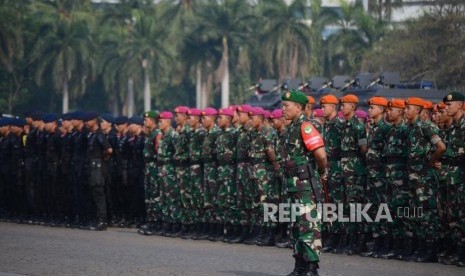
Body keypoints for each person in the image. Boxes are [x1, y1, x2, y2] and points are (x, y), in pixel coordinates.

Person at [281, 90, 327, 276]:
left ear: (299, 107)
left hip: (305, 186)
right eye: (283, 105)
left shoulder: (305, 127)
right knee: (295, 226)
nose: (283, 109)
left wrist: (322, 172)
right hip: (292, 186)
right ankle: (299, 265)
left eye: (286, 105)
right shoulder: (291, 127)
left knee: (308, 225)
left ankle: (311, 267)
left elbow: (321, 155)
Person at [404, 97, 445, 262]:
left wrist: (431, 160)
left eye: (409, 108)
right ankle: (420, 246)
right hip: (412, 177)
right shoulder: (410, 128)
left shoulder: (425, 126)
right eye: (406, 108)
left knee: (427, 213)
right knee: (415, 212)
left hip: (424, 178)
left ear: (418, 111)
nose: (406, 111)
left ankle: (431, 249)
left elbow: (441, 147)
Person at [362, 97, 391, 258]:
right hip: (371, 174)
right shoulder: (372, 127)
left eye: (373, 107)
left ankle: (385, 243)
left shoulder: (385, 128)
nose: (369, 110)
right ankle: (376, 241)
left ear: (381, 110)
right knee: (373, 208)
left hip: (381, 174)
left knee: (382, 208)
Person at [442, 92, 465, 267]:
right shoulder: (453, 127)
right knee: (454, 216)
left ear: (461, 105)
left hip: (461, 177)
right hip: (452, 177)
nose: (447, 107)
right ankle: (459, 251)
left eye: (450, 104)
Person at [319, 95, 344, 253]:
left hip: (337, 166)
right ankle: (329, 235)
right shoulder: (326, 125)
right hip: (327, 165)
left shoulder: (339, 125)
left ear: (333, 107)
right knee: (327, 203)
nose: (322, 109)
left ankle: (339, 237)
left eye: (325, 106)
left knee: (337, 203)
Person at [84, 112, 113, 231]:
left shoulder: (99, 135)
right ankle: (99, 219)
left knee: (99, 194)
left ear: (94, 121)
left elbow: (109, 150)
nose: (86, 123)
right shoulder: (93, 134)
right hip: (93, 167)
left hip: (98, 168)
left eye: (88, 120)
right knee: (95, 194)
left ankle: (102, 221)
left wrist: (103, 157)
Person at [138, 111, 161, 235]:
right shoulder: (149, 134)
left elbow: (159, 152)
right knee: (149, 197)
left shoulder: (157, 134)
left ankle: (156, 222)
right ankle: (151, 220)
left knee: (155, 196)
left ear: (153, 121)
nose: (144, 122)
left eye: (147, 120)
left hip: (154, 168)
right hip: (148, 167)